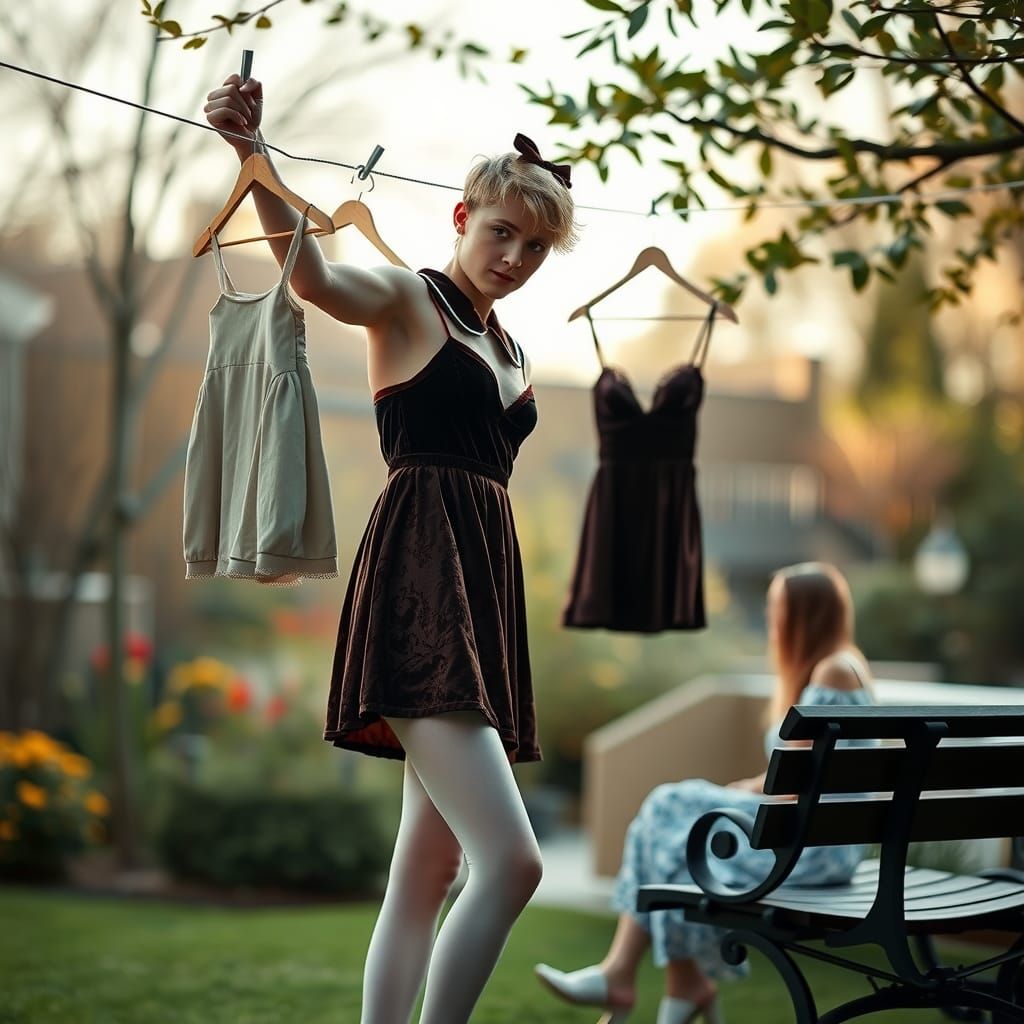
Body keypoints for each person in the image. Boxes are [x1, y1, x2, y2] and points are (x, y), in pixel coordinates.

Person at [204, 75, 578, 1024]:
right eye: (502, 233)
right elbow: (316, 279)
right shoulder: (411, 301)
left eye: (536, 246)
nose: (516, 257)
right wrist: (254, 155)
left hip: (481, 592)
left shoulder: (513, 350)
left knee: (431, 865)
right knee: (513, 863)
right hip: (422, 583)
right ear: (462, 217)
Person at [534, 562, 875, 1024]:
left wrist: (744, 792)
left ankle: (640, 978)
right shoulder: (843, 668)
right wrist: (749, 787)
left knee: (669, 810)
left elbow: (795, 785)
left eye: (777, 611)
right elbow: (809, 774)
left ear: (804, 616)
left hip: (809, 852)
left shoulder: (833, 672)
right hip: (817, 842)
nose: (771, 622)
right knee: (675, 837)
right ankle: (665, 983)